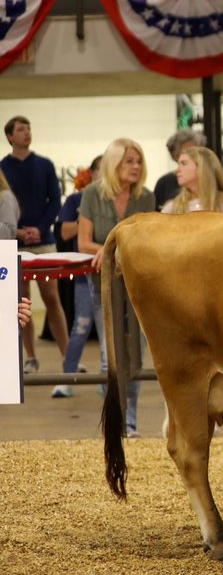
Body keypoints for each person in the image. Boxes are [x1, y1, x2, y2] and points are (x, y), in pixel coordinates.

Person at [78, 139, 156, 437]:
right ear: (113, 164)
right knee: (109, 354)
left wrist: (117, 253)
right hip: (104, 284)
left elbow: (147, 242)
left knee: (135, 355)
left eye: (139, 161)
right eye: (129, 161)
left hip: (138, 285)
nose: (136, 166)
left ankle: (130, 424)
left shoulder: (145, 197)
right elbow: (84, 243)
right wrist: (108, 251)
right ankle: (113, 422)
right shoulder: (91, 194)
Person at [1, 116, 69, 374]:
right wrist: (17, 231)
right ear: (10, 136)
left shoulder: (45, 165)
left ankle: (69, 357)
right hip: (13, 244)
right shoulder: (2, 168)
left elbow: (55, 201)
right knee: (22, 302)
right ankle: (30, 357)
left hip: (44, 242)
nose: (27, 132)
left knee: (52, 298)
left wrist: (39, 229)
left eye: (29, 128)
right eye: (21, 129)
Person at [53, 156, 102, 398]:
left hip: (111, 273)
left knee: (110, 332)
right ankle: (66, 377)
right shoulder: (76, 199)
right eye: (101, 170)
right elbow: (64, 231)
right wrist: (86, 219)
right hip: (84, 274)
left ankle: (107, 380)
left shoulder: (116, 200)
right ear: (91, 173)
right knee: (81, 327)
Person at [162, 146, 223, 214]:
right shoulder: (171, 209)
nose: (176, 170)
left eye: (184, 163)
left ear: (202, 167)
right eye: (178, 164)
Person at [153, 129, 205, 211]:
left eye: (194, 150)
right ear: (176, 156)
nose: (191, 155)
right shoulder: (164, 183)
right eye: (185, 152)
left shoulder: (212, 179)